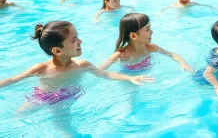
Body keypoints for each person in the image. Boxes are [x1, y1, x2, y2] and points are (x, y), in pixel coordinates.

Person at [0, 21, 154, 105]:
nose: (80, 41)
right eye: (74, 40)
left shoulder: (83, 65)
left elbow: (106, 74)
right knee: (18, 116)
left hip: (70, 96)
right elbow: (13, 79)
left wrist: (130, 78)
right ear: (57, 51)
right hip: (43, 97)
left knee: (64, 127)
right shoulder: (41, 68)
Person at [99, 13, 193, 72]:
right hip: (130, 78)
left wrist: (184, 64)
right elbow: (99, 70)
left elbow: (172, 54)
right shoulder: (121, 54)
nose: (152, 32)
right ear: (133, 36)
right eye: (147, 29)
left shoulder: (151, 48)